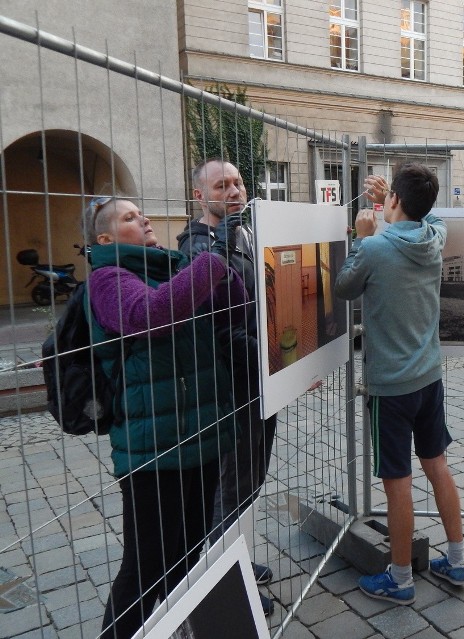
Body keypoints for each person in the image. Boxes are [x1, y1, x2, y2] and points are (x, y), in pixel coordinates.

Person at [84, 197, 245, 639]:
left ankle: (181, 627)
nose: (145, 218)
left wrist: (226, 263)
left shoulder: (170, 266)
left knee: (191, 553)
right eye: (130, 217)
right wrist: (210, 263)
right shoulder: (107, 279)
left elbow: (236, 302)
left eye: (141, 212)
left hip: (200, 436)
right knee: (145, 567)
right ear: (105, 238)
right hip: (153, 449)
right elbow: (149, 315)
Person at [335, 163, 464, 605]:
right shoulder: (435, 238)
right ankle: (457, 557)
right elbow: (432, 216)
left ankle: (400, 579)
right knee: (438, 466)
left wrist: (361, 235)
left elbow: (343, 288)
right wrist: (394, 201)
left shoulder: (375, 248)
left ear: (394, 201)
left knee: (398, 485)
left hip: (390, 388)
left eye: (389, 194)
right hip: (429, 379)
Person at [176, 159, 277, 615]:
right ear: (200, 195)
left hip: (260, 382)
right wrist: (273, 356)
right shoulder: (201, 249)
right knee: (231, 490)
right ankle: (226, 591)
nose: (234, 190)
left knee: (251, 481)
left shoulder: (243, 234)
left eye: (237, 182)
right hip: (230, 389)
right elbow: (220, 330)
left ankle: (235, 562)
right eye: (222, 185)